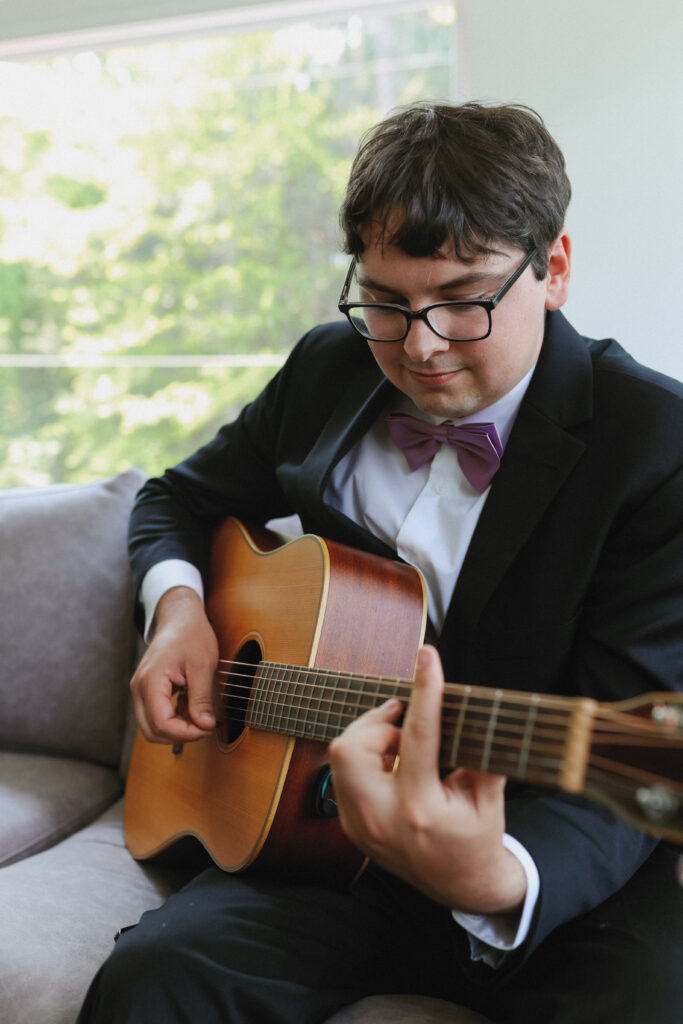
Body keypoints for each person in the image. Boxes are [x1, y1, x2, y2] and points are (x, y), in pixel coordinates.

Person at [77, 102, 683, 1023]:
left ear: (552, 269)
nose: (420, 346)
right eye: (386, 303)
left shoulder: (656, 443)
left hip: (557, 855)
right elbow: (178, 497)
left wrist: (493, 875)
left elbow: (638, 750)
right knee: (154, 976)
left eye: (464, 299)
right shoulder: (331, 368)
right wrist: (178, 612)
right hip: (325, 845)